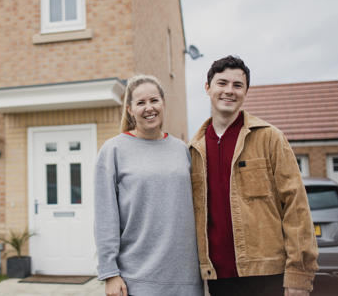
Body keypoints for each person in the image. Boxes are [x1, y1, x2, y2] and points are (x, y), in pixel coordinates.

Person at [189, 55, 318, 296]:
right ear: (207, 88)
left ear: (246, 92)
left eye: (237, 85)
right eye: (222, 83)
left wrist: (299, 274)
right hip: (218, 279)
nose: (229, 91)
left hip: (268, 275)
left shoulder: (270, 138)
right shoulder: (194, 149)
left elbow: (296, 206)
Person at [94, 75, 203, 296]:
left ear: (163, 103)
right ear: (130, 110)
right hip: (137, 279)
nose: (149, 108)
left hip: (186, 279)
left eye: (154, 100)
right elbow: (105, 216)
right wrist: (109, 273)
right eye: (140, 103)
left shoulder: (183, 150)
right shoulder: (113, 150)